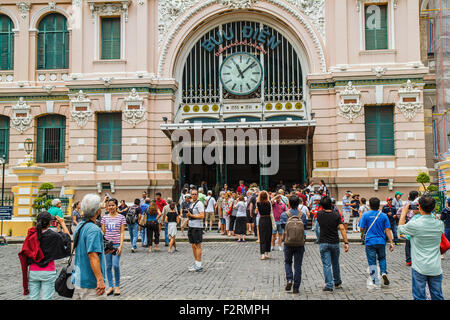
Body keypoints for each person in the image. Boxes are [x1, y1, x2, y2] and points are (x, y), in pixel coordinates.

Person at [398, 195, 445, 300]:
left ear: (419, 207)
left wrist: (404, 212)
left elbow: (400, 229)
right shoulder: (440, 224)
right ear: (433, 208)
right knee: (437, 296)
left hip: (419, 266)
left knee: (419, 297)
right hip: (435, 267)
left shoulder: (415, 224)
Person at [18, 212, 71, 300]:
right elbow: (68, 240)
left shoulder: (31, 235)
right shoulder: (54, 236)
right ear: (50, 223)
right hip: (48, 271)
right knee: (47, 298)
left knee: (33, 298)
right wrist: (62, 224)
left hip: (33, 271)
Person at [72, 194, 107, 300]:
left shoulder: (80, 226)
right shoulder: (94, 229)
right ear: (98, 212)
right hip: (91, 284)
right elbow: (92, 255)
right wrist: (100, 280)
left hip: (78, 279)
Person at [359, 197, 394, 289]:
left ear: (369, 205)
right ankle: (383, 272)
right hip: (381, 241)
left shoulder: (365, 215)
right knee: (382, 258)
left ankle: (375, 280)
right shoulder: (383, 216)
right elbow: (387, 230)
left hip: (370, 241)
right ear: (379, 206)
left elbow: (361, 228)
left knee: (372, 261)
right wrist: (391, 242)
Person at [316, 196, 349, 292]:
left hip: (323, 242)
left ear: (321, 205)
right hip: (335, 242)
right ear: (331, 204)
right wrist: (346, 242)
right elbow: (342, 228)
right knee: (335, 263)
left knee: (326, 265)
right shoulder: (336, 215)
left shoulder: (319, 214)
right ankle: (337, 281)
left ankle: (329, 285)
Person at [280, 195, 307, 294]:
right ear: (299, 203)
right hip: (300, 243)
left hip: (288, 242)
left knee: (287, 262)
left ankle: (289, 279)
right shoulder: (302, 215)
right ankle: (296, 287)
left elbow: (283, 227)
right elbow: (305, 228)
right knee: (298, 265)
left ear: (289, 204)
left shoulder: (284, 215)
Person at [101, 198, 126, 296]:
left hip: (116, 245)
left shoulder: (121, 218)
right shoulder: (104, 218)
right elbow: (103, 232)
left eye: (112, 205)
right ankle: (110, 286)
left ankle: (117, 286)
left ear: (116, 206)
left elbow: (122, 232)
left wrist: (121, 245)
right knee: (108, 266)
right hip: (107, 245)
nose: (111, 207)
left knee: (115, 265)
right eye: (109, 205)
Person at [187, 189, 205, 272]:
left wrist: (192, 215)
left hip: (197, 227)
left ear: (197, 195)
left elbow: (202, 215)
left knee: (198, 245)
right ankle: (196, 263)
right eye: (192, 194)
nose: (194, 195)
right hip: (191, 225)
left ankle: (199, 265)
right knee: (193, 245)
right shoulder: (191, 203)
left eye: (195, 194)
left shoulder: (200, 204)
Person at [402, 191, 420, 266]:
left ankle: (409, 260)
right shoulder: (419, 203)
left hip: (409, 224)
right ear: (416, 196)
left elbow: (400, 212)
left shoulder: (407, 204)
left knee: (408, 243)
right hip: (418, 223)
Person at [255, 191, 274, 260]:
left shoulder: (258, 203)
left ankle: (262, 254)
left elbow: (255, 212)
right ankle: (267, 253)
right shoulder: (269, 203)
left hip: (262, 219)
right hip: (268, 220)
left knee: (262, 237)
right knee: (268, 236)